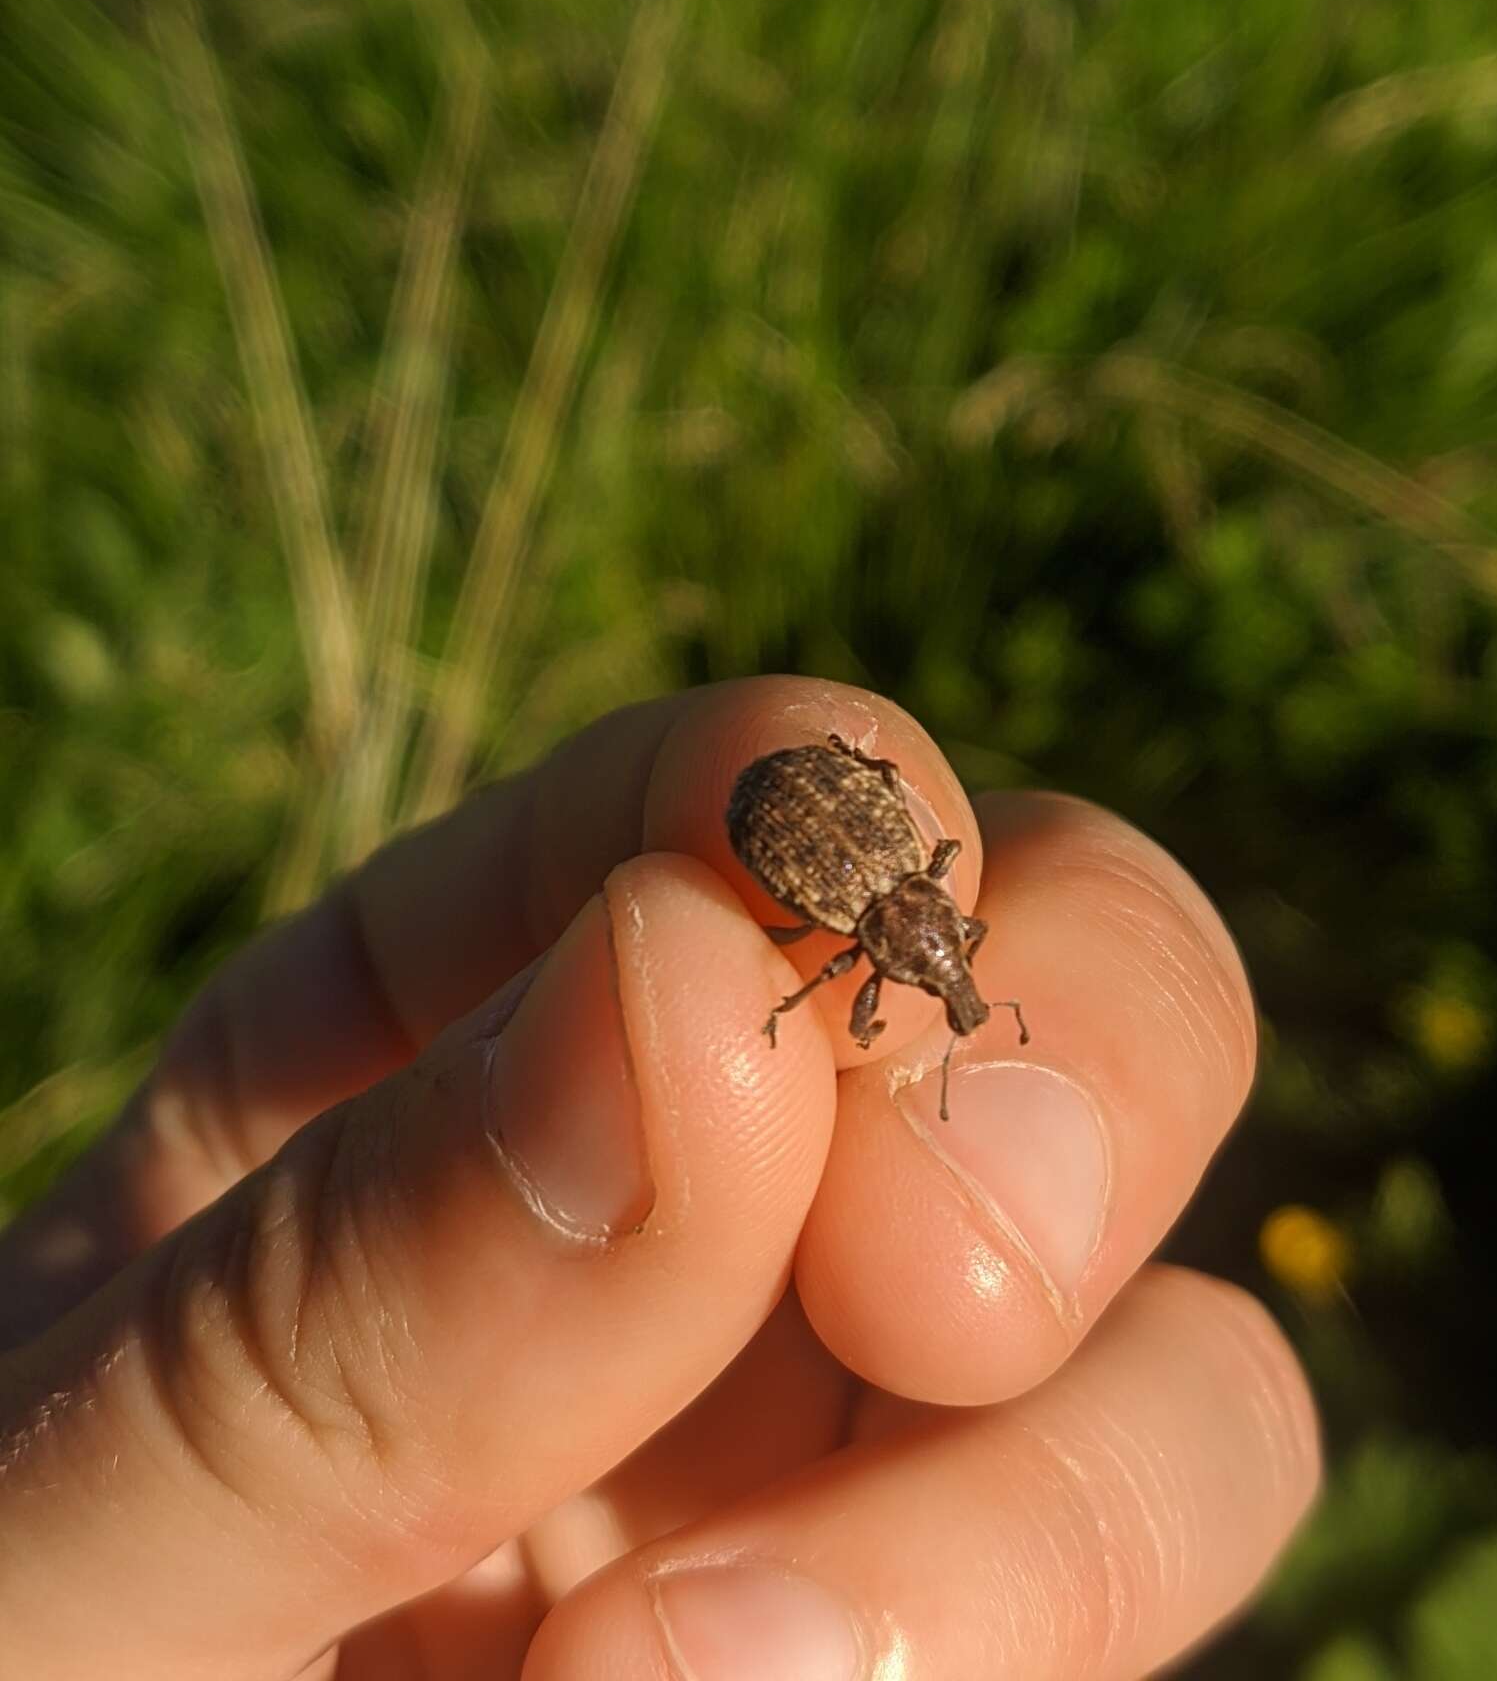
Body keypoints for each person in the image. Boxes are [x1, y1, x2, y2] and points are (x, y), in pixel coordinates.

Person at [0, 677, 1319, 1679]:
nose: (951, 981)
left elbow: (883, 886)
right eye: (938, 969)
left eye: (941, 972)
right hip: (790, 809)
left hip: (808, 816)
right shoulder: (869, 921)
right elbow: (834, 876)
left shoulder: (888, 922)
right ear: (903, 944)